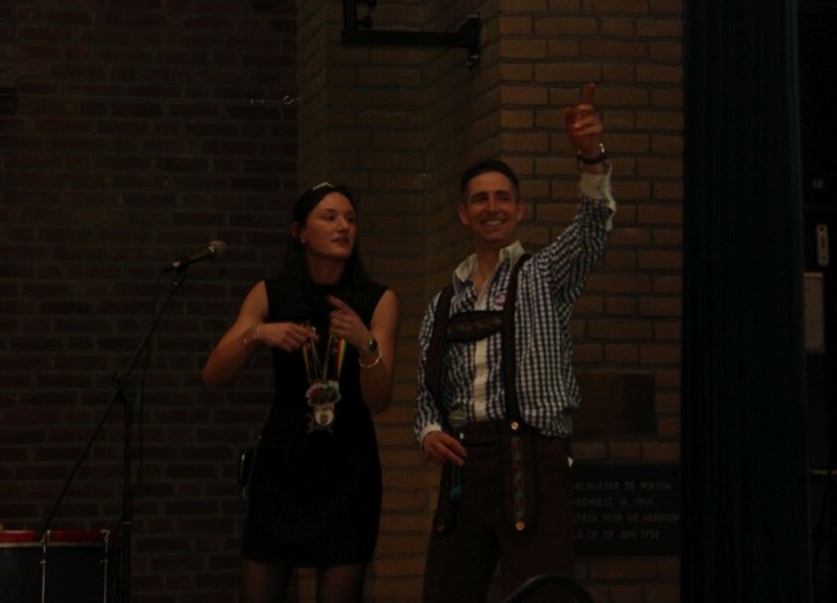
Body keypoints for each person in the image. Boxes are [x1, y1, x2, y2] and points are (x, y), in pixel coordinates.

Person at [413, 83, 616, 602]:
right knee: (445, 594)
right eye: (480, 199)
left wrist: (590, 156)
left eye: (503, 198)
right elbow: (426, 396)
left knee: (539, 596)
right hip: (465, 465)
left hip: (534, 460)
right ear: (463, 213)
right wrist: (429, 432)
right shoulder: (443, 303)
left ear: (519, 210)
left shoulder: (544, 274)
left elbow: (593, 227)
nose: (492, 207)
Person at [203, 182, 400, 603]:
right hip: (283, 467)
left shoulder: (377, 299)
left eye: (350, 219)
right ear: (300, 231)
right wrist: (257, 334)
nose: (343, 226)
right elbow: (212, 373)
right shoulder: (270, 293)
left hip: (348, 470)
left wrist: (366, 343)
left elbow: (380, 400)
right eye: (329, 217)